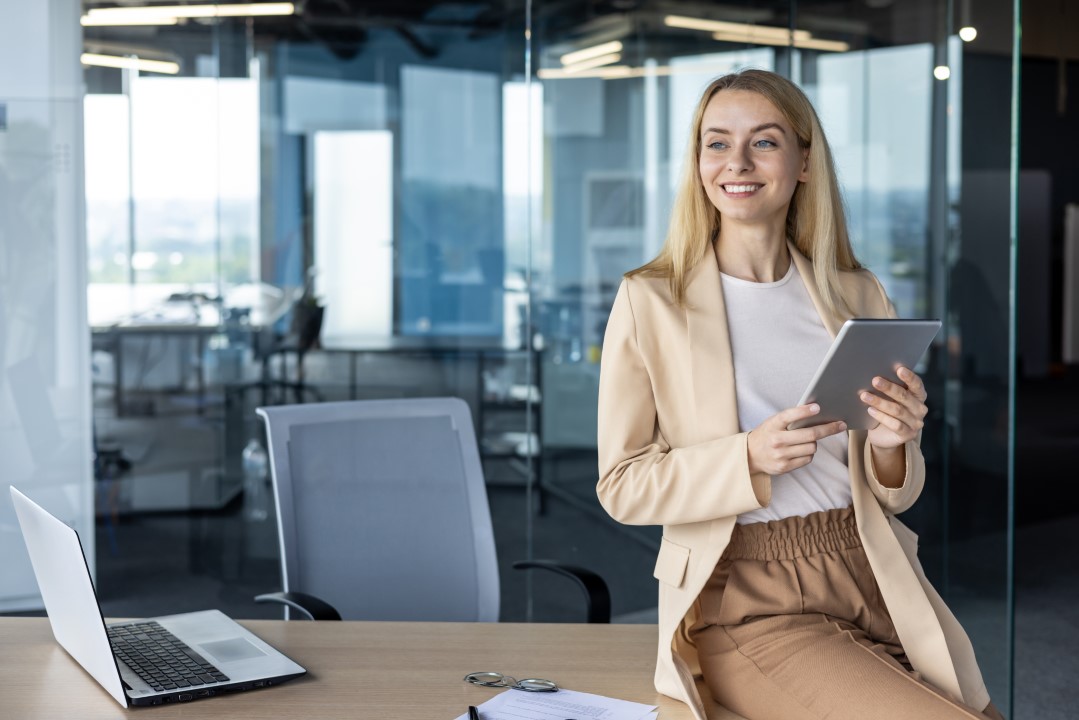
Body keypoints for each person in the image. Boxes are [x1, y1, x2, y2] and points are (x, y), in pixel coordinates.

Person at [596, 69, 1003, 720]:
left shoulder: (855, 293)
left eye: (763, 142)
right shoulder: (651, 300)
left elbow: (894, 493)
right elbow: (621, 484)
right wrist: (746, 458)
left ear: (803, 161)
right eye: (716, 142)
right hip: (749, 598)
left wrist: (894, 446)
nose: (736, 162)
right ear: (697, 161)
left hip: (873, 570)